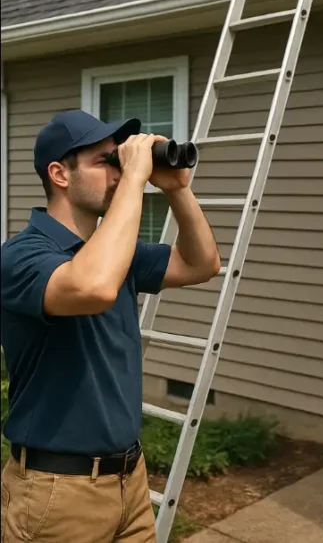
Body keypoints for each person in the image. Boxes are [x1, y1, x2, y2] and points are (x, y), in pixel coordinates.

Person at [0, 110, 222, 542]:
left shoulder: (117, 254)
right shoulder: (19, 256)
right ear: (60, 174)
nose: (120, 172)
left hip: (130, 482)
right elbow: (94, 285)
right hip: (58, 495)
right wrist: (136, 181)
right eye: (106, 161)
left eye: (120, 160)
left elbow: (202, 264)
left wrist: (176, 191)